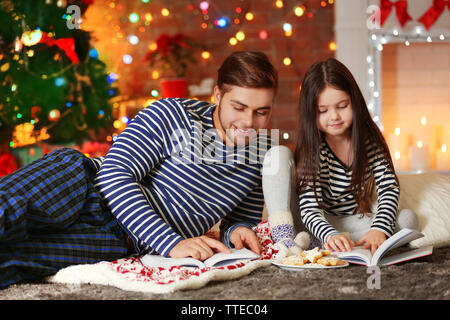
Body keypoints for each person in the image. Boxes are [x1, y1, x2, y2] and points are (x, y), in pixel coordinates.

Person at [0, 51, 278, 289]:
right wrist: (170, 243)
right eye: (238, 107)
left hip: (118, 240)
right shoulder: (174, 114)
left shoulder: (263, 154)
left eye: (261, 112)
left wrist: (238, 231)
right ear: (218, 95)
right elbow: (114, 174)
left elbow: (238, 222)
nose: (248, 121)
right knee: (7, 212)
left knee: (13, 262)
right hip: (85, 186)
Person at [262, 58, 418, 257]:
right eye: (323, 111)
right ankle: (286, 238)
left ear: (355, 103)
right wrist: (329, 234)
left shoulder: (369, 141)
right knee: (278, 155)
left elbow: (388, 187)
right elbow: (310, 208)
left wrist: (378, 229)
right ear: (311, 113)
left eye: (342, 106)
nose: (334, 116)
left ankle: (348, 245)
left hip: (351, 221)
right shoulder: (314, 148)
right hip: (312, 220)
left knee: (408, 220)